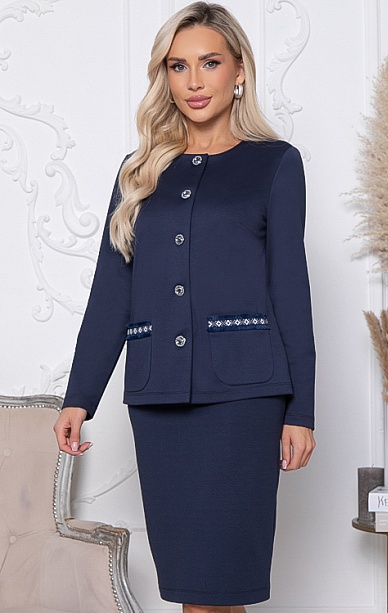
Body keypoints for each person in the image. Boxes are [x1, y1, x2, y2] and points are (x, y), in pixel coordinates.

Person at [54, 2, 316, 611]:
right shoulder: (138, 173)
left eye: (209, 63)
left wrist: (301, 410)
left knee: (225, 585)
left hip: (245, 403)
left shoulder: (275, 164)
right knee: (191, 589)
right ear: (165, 77)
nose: (194, 81)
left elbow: (290, 290)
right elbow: (111, 292)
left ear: (239, 70)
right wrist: (79, 397)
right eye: (178, 66)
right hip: (160, 400)